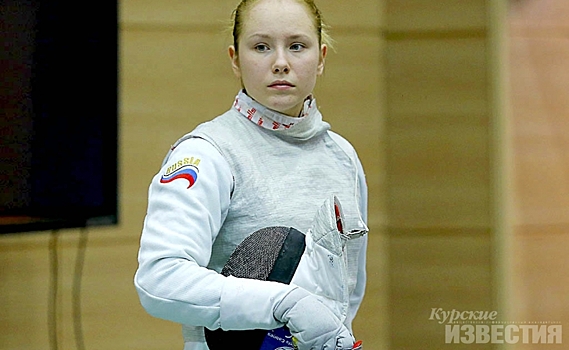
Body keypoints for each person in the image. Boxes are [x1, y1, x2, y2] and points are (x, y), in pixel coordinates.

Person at [134, 0, 369, 349]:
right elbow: (160, 278)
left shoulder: (342, 157)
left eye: (296, 46)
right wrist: (283, 303)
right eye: (261, 47)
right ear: (235, 59)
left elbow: (347, 293)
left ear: (320, 59)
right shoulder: (207, 153)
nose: (280, 63)